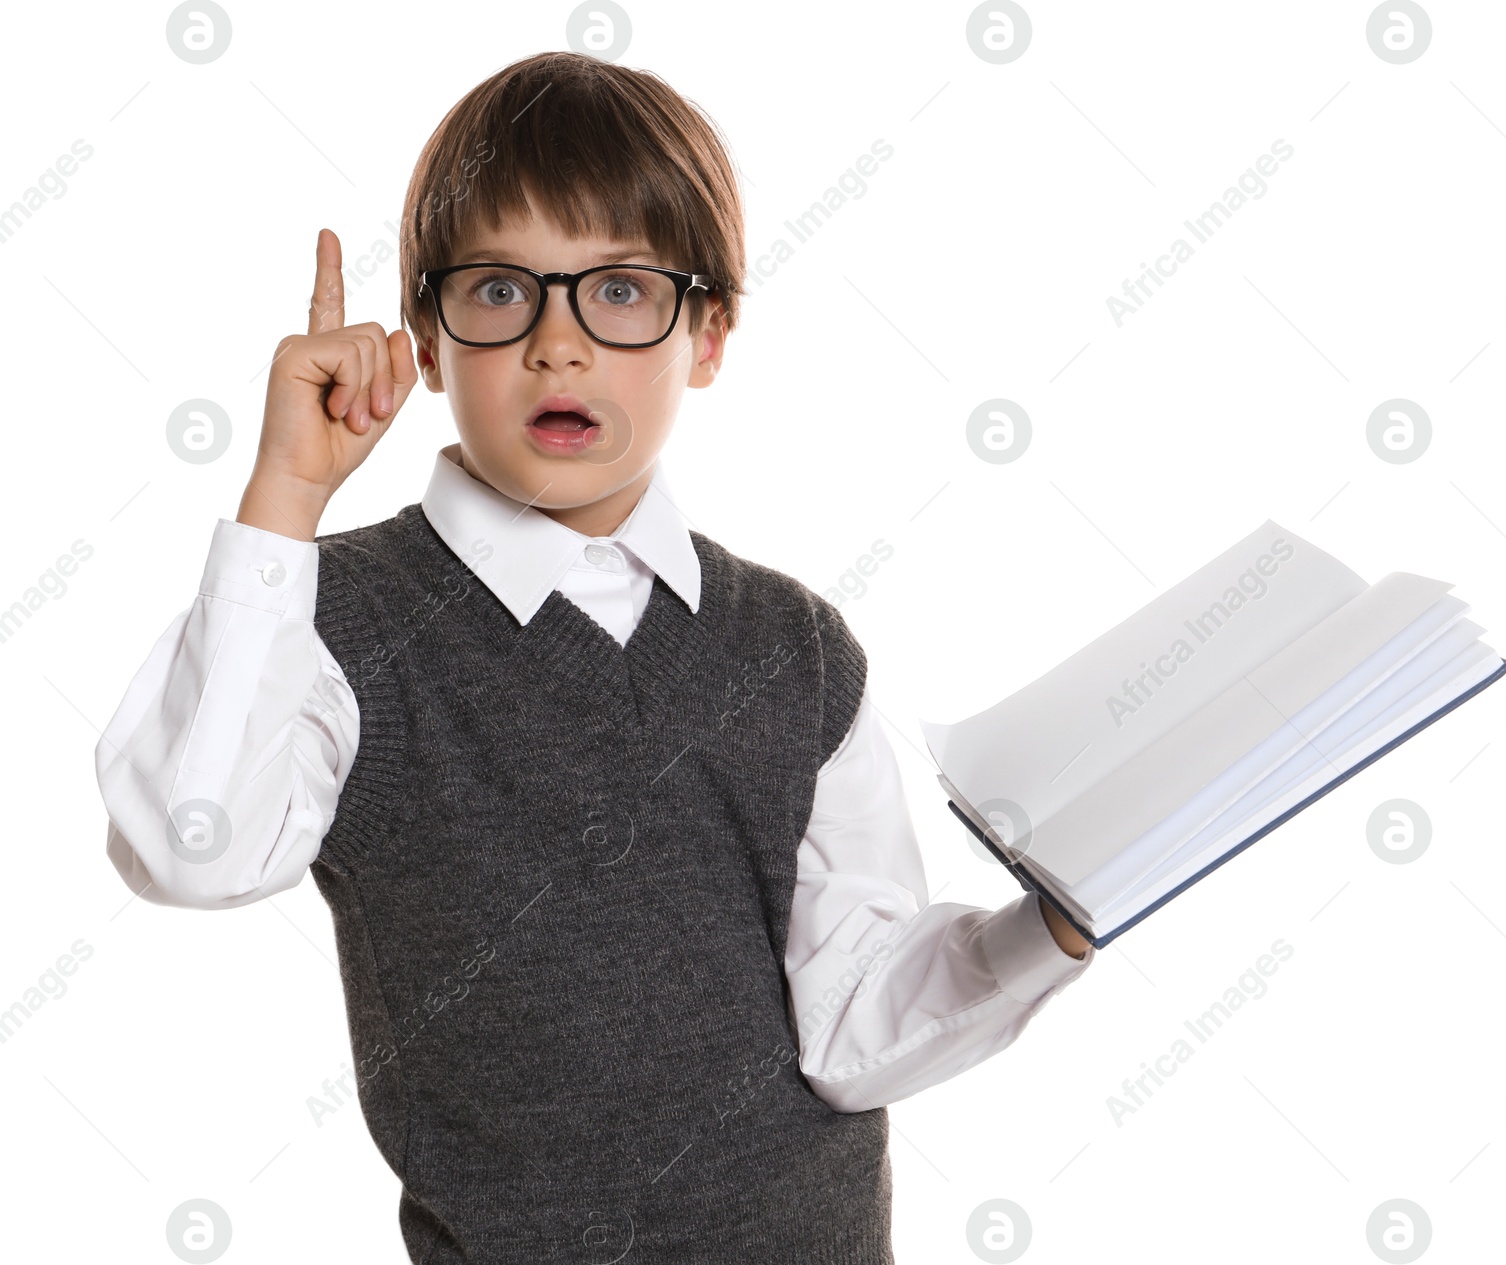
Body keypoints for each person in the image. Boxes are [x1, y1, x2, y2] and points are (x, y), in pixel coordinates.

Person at [94, 50, 1094, 1264]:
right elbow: (188, 851)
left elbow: (852, 1030)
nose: (557, 345)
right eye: (503, 290)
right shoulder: (330, 622)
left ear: (708, 332)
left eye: (620, 292)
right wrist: (284, 499)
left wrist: (1047, 931)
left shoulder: (795, 648)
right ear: (424, 333)